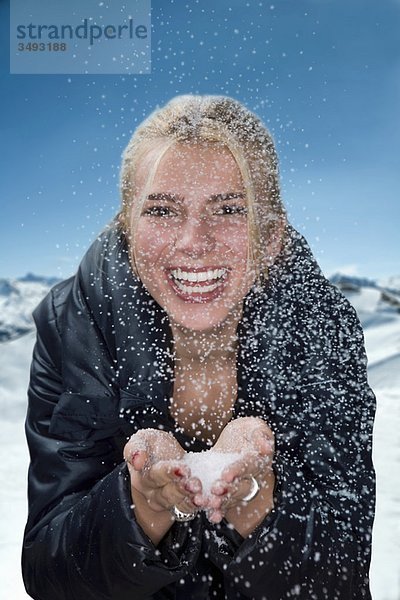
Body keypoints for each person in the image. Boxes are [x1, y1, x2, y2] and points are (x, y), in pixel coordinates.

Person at [22, 95, 376, 600]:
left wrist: (257, 509)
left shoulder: (321, 328)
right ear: (129, 229)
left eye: (230, 209)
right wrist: (141, 505)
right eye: (162, 210)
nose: (193, 240)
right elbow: (47, 569)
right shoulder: (73, 325)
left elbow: (342, 573)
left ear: (271, 236)